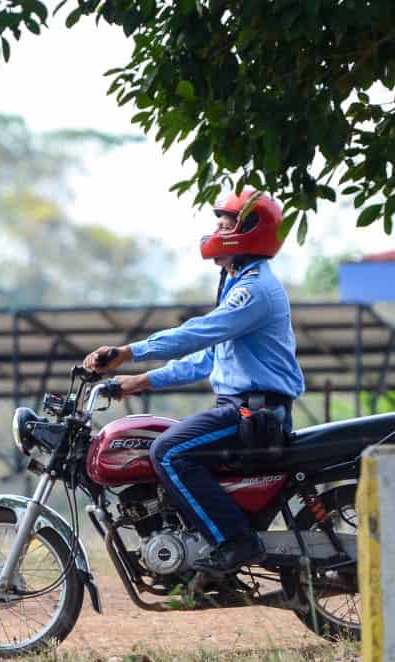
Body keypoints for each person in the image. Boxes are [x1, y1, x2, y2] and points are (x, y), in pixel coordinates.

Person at [84, 189, 305, 576]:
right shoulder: (240, 285)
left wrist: (129, 351)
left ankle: (236, 541)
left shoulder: (254, 291)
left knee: (168, 452)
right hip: (242, 410)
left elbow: (198, 334)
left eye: (223, 226)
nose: (213, 233)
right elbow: (207, 358)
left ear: (248, 233)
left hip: (255, 412)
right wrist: (138, 382)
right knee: (165, 445)